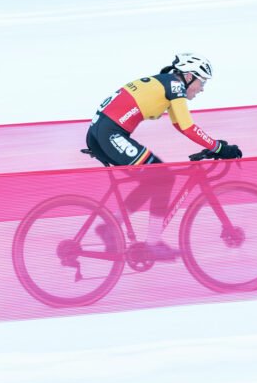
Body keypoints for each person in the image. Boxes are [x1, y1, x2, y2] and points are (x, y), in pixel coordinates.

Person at [85, 52, 242, 259]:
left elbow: (179, 125)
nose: (202, 89)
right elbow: (187, 127)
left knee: (154, 179)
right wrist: (220, 149)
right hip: (110, 133)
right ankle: (151, 243)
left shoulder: (167, 84)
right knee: (164, 177)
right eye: (201, 82)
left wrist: (213, 146)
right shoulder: (175, 85)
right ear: (188, 76)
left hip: (102, 132)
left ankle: (111, 226)